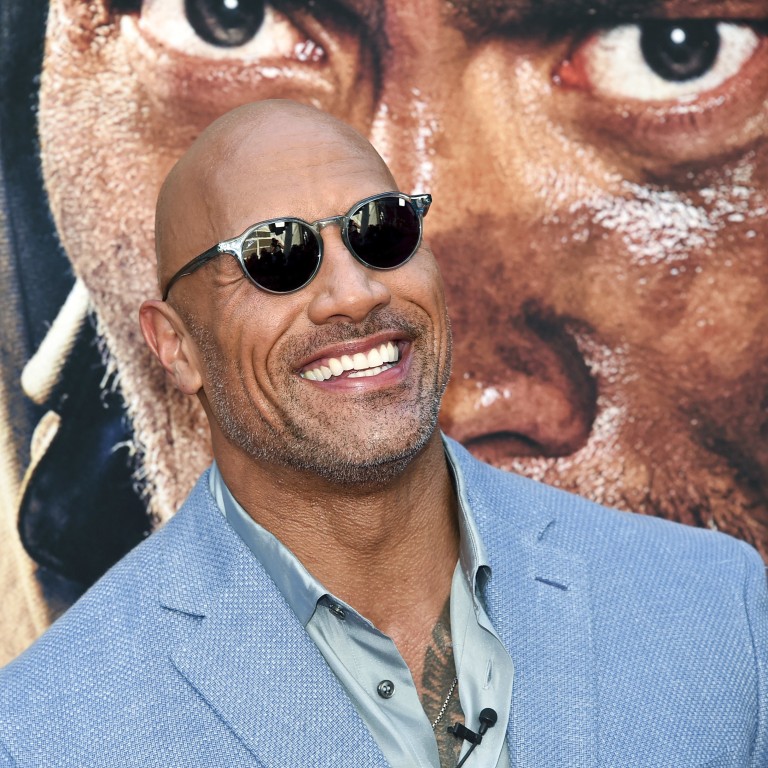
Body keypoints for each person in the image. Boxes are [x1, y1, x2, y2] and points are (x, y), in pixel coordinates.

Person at [1, 100, 766, 768]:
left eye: (382, 230)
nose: (355, 294)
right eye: (278, 255)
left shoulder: (716, 609)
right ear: (176, 346)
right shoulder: (49, 732)